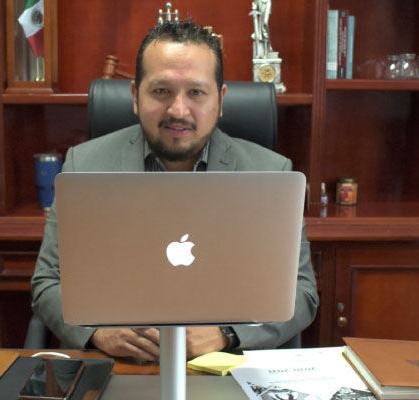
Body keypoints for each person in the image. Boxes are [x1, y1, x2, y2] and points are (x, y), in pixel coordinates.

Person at [30, 19, 318, 362]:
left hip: (223, 364)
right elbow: (47, 282)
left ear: (220, 100)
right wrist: (97, 333)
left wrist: (227, 334)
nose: (178, 110)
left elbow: (302, 292)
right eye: (161, 91)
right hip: (122, 364)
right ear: (135, 96)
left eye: (196, 92)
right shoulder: (84, 166)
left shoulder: (271, 174)